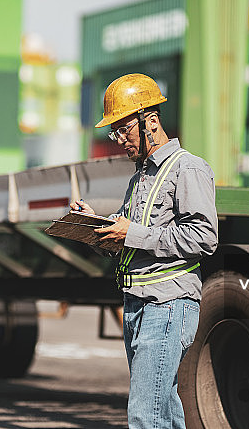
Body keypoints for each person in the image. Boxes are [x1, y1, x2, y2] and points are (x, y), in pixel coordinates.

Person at [70, 73, 218, 429]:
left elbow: (205, 237)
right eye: (114, 132)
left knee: (145, 414)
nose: (119, 140)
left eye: (124, 129)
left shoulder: (188, 167)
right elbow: (131, 240)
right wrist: (97, 228)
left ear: (150, 121)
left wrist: (131, 232)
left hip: (166, 303)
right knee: (162, 409)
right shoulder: (140, 178)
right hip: (137, 303)